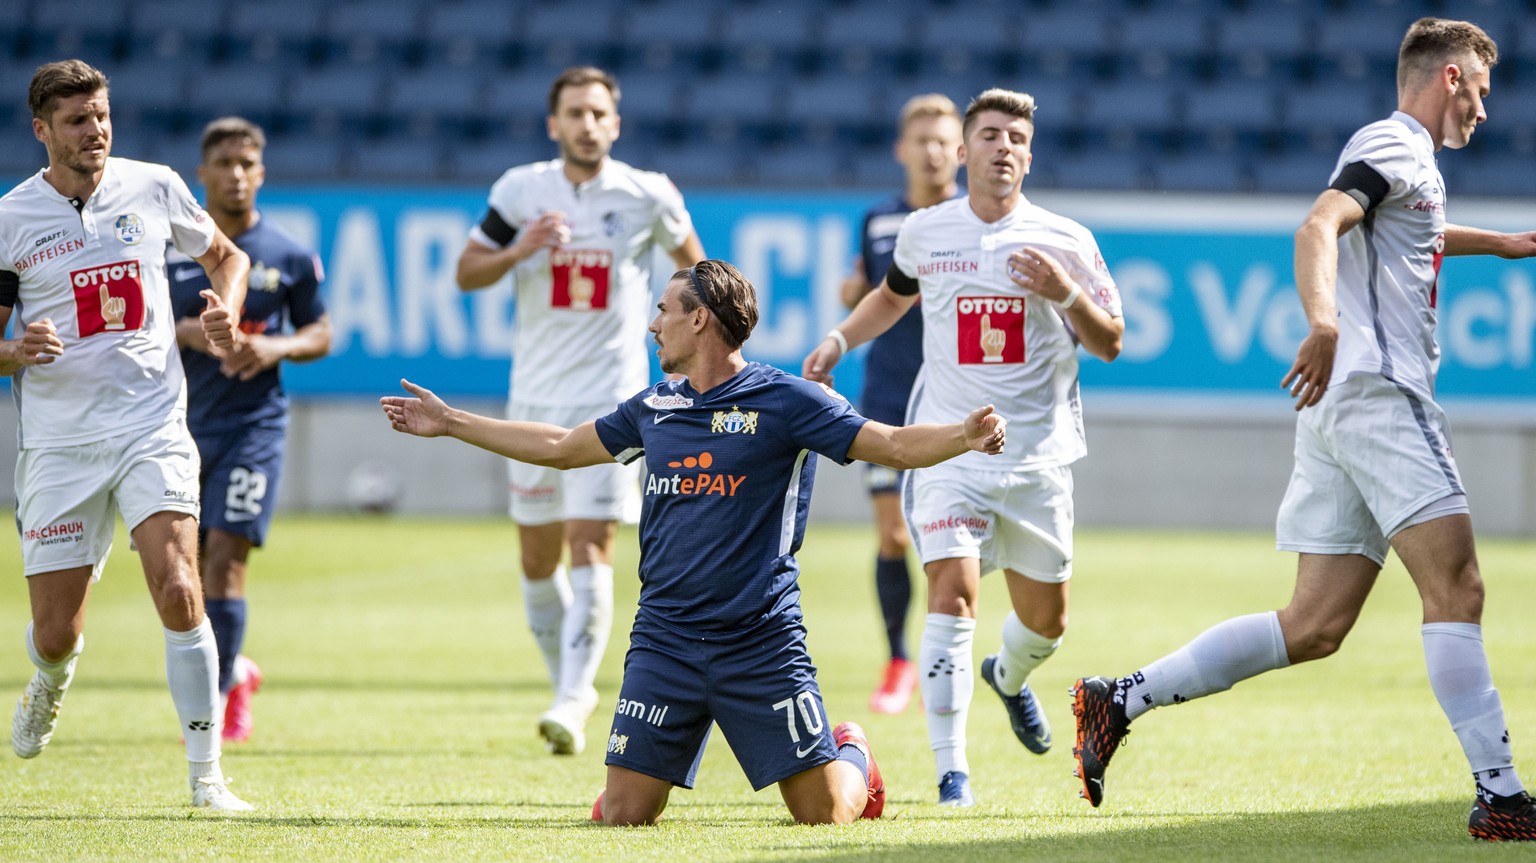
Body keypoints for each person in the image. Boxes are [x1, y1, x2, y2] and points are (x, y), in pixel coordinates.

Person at [1069, 18, 1536, 842]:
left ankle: (1119, 697)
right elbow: (1318, 225)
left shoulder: (1407, 161)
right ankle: (1500, 796)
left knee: (1314, 625)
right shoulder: (1394, 145)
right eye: (1482, 93)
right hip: (1380, 395)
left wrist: (1496, 244)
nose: (1486, 114)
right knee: (1457, 587)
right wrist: (1322, 322)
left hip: (1340, 410)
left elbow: (1410, 233)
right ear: (1452, 78)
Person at [383, 259, 1007, 824]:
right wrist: (450, 423)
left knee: (826, 816)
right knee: (622, 817)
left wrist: (963, 436)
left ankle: (851, 753)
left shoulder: (788, 400)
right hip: (666, 639)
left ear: (700, 319)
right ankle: (639, 774)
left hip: (759, 638)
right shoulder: (653, 406)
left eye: (664, 310)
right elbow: (560, 448)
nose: (654, 325)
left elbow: (892, 445)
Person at [805, 88, 1124, 806]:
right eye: (989, 134)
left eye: (1015, 136)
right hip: (952, 449)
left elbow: (1110, 343)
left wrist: (1065, 292)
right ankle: (954, 774)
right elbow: (892, 295)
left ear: (1029, 155)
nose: (1003, 146)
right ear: (964, 150)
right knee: (952, 591)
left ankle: (1007, 676)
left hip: (1039, 456)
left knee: (1048, 620)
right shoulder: (926, 231)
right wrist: (838, 339)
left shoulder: (1065, 238)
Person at [0, 60, 254, 810]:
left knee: (180, 588)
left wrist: (226, 311)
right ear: (43, 130)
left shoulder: (155, 185)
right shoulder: (11, 220)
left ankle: (208, 777)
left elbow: (226, 256)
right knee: (55, 631)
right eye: (78, 120)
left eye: (103, 115)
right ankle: (49, 677)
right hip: (60, 446)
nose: (97, 130)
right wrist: (16, 350)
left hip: (152, 426)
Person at [454, 66, 706, 757]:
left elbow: (700, 272)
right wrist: (519, 248)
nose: (587, 124)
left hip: (612, 399)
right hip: (533, 396)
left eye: (599, 113)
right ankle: (575, 682)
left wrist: (681, 338)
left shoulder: (647, 193)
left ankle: (571, 696)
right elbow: (465, 271)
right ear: (553, 124)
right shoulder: (519, 190)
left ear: (615, 124)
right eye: (575, 113)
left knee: (590, 542)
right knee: (537, 559)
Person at [169, 116, 332, 743]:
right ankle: (235, 671)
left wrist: (275, 349)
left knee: (227, 565)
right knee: (189, 569)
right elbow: (133, 327)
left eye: (248, 165)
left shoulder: (288, 255)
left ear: (261, 174)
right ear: (202, 175)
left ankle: (206, 711)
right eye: (225, 165)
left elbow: (322, 332)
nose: (237, 176)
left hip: (252, 427)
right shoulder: (174, 253)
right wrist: (183, 332)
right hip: (178, 426)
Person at [839, 94, 963, 715]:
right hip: (889, 394)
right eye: (923, 140)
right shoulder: (880, 220)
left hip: (956, 398)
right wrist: (853, 292)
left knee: (953, 542)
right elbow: (871, 291)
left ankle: (956, 656)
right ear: (902, 149)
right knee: (893, 534)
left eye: (944, 141)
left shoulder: (975, 220)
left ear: (960, 151)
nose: (933, 151)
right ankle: (898, 660)